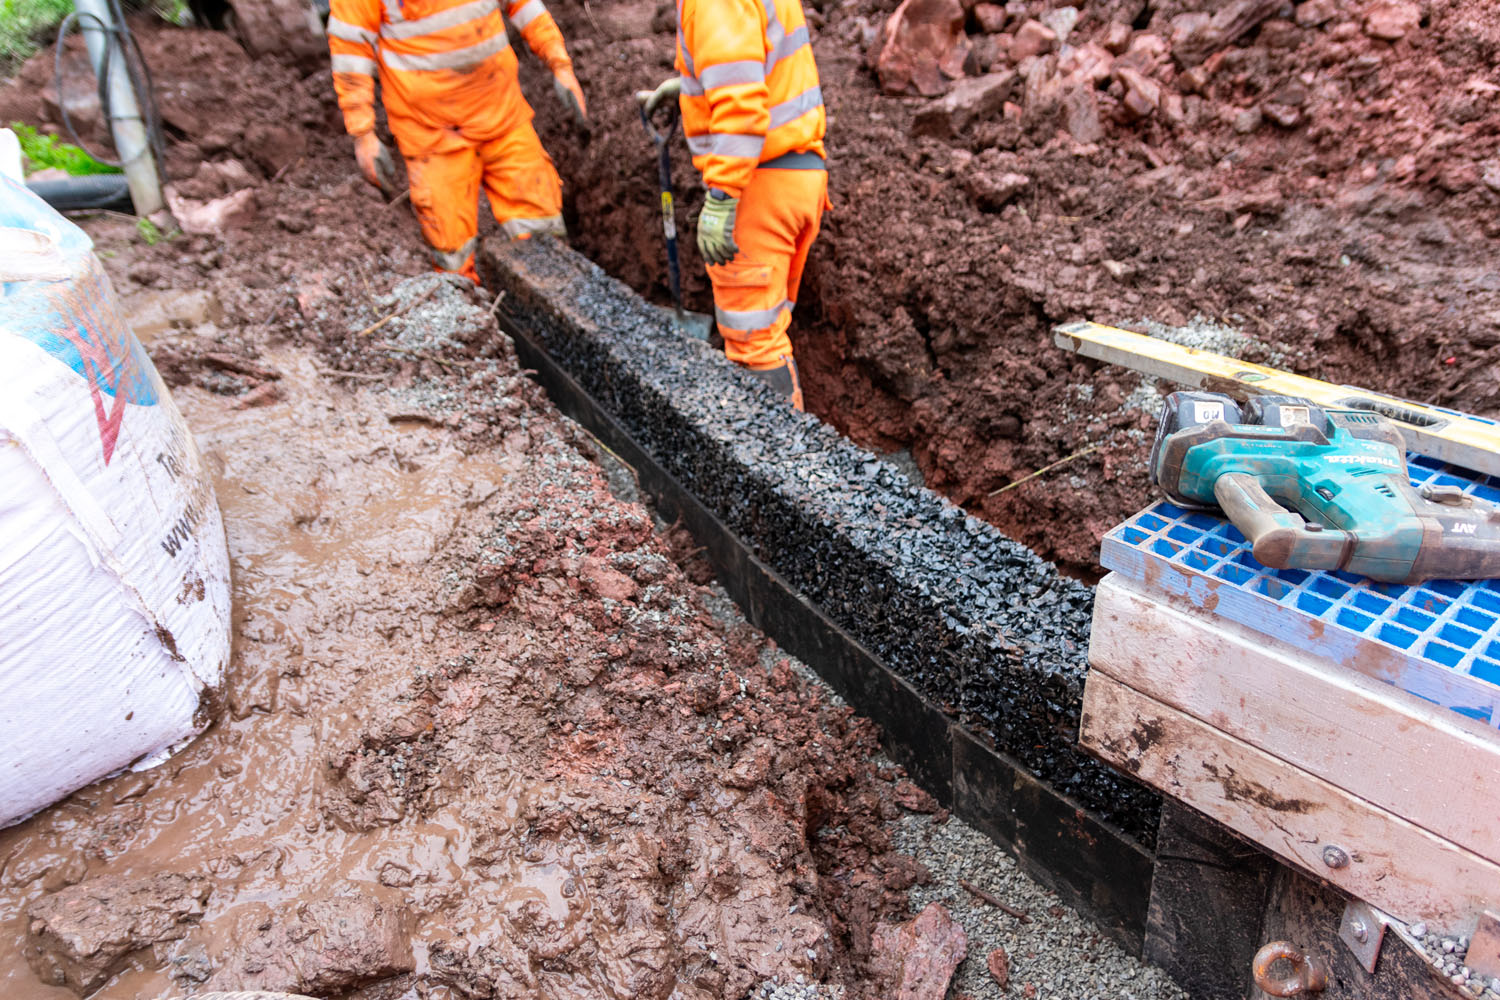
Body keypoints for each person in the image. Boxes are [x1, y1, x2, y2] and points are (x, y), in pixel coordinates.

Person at [638, 0, 828, 410]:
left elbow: (742, 107)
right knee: (771, 323)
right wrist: (693, 90)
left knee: (754, 340)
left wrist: (722, 196)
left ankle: (778, 461)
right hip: (799, 172)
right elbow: (755, 64)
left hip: (758, 188)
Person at [327, 0, 587, 282]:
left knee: (540, 225)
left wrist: (559, 63)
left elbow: (524, 5)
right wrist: (363, 133)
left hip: (502, 116)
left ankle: (550, 289)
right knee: (452, 250)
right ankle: (467, 308)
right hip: (432, 136)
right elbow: (351, 48)